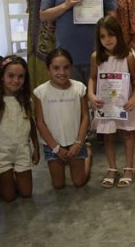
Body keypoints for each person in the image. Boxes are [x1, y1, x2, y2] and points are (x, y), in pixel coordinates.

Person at [87, 16, 135, 189]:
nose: (107, 40)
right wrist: (91, 94)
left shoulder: (128, 57)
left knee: (127, 134)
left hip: (125, 104)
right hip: (106, 104)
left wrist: (134, 98)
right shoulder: (96, 57)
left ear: (118, 34)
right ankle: (111, 168)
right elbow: (92, 78)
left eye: (111, 35)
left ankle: (129, 168)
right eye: (103, 37)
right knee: (108, 136)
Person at [0, 56, 39, 201]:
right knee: (9, 197)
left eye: (21, 77)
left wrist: (36, 148)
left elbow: (31, 124)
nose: (16, 81)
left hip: (22, 148)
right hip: (0, 150)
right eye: (11, 76)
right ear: (1, 77)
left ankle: (12, 176)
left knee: (26, 193)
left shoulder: (26, 100)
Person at [33, 48, 91, 189]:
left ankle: (87, 153)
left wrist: (78, 143)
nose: (62, 73)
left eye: (66, 68)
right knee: (58, 185)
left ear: (71, 68)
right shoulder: (40, 92)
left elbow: (85, 116)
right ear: (48, 69)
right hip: (53, 145)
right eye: (56, 68)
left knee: (79, 182)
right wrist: (56, 147)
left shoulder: (79, 88)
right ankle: (68, 157)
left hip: (76, 142)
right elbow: (40, 123)